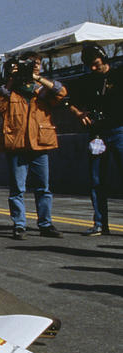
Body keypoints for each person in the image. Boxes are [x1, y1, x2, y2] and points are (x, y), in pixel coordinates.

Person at [0, 51, 66, 240]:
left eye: (37, 64)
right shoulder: (10, 90)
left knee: (44, 187)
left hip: (40, 144)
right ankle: (19, 224)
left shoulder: (42, 90)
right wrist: (10, 79)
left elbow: (61, 93)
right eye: (30, 64)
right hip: (17, 144)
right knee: (17, 188)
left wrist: (37, 78)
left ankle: (45, 224)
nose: (34, 67)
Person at [69, 43, 123, 236]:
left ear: (103, 58)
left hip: (119, 131)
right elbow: (66, 98)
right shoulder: (86, 81)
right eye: (90, 65)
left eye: (96, 63)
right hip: (97, 135)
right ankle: (100, 223)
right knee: (97, 179)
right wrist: (78, 113)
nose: (93, 68)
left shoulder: (118, 75)